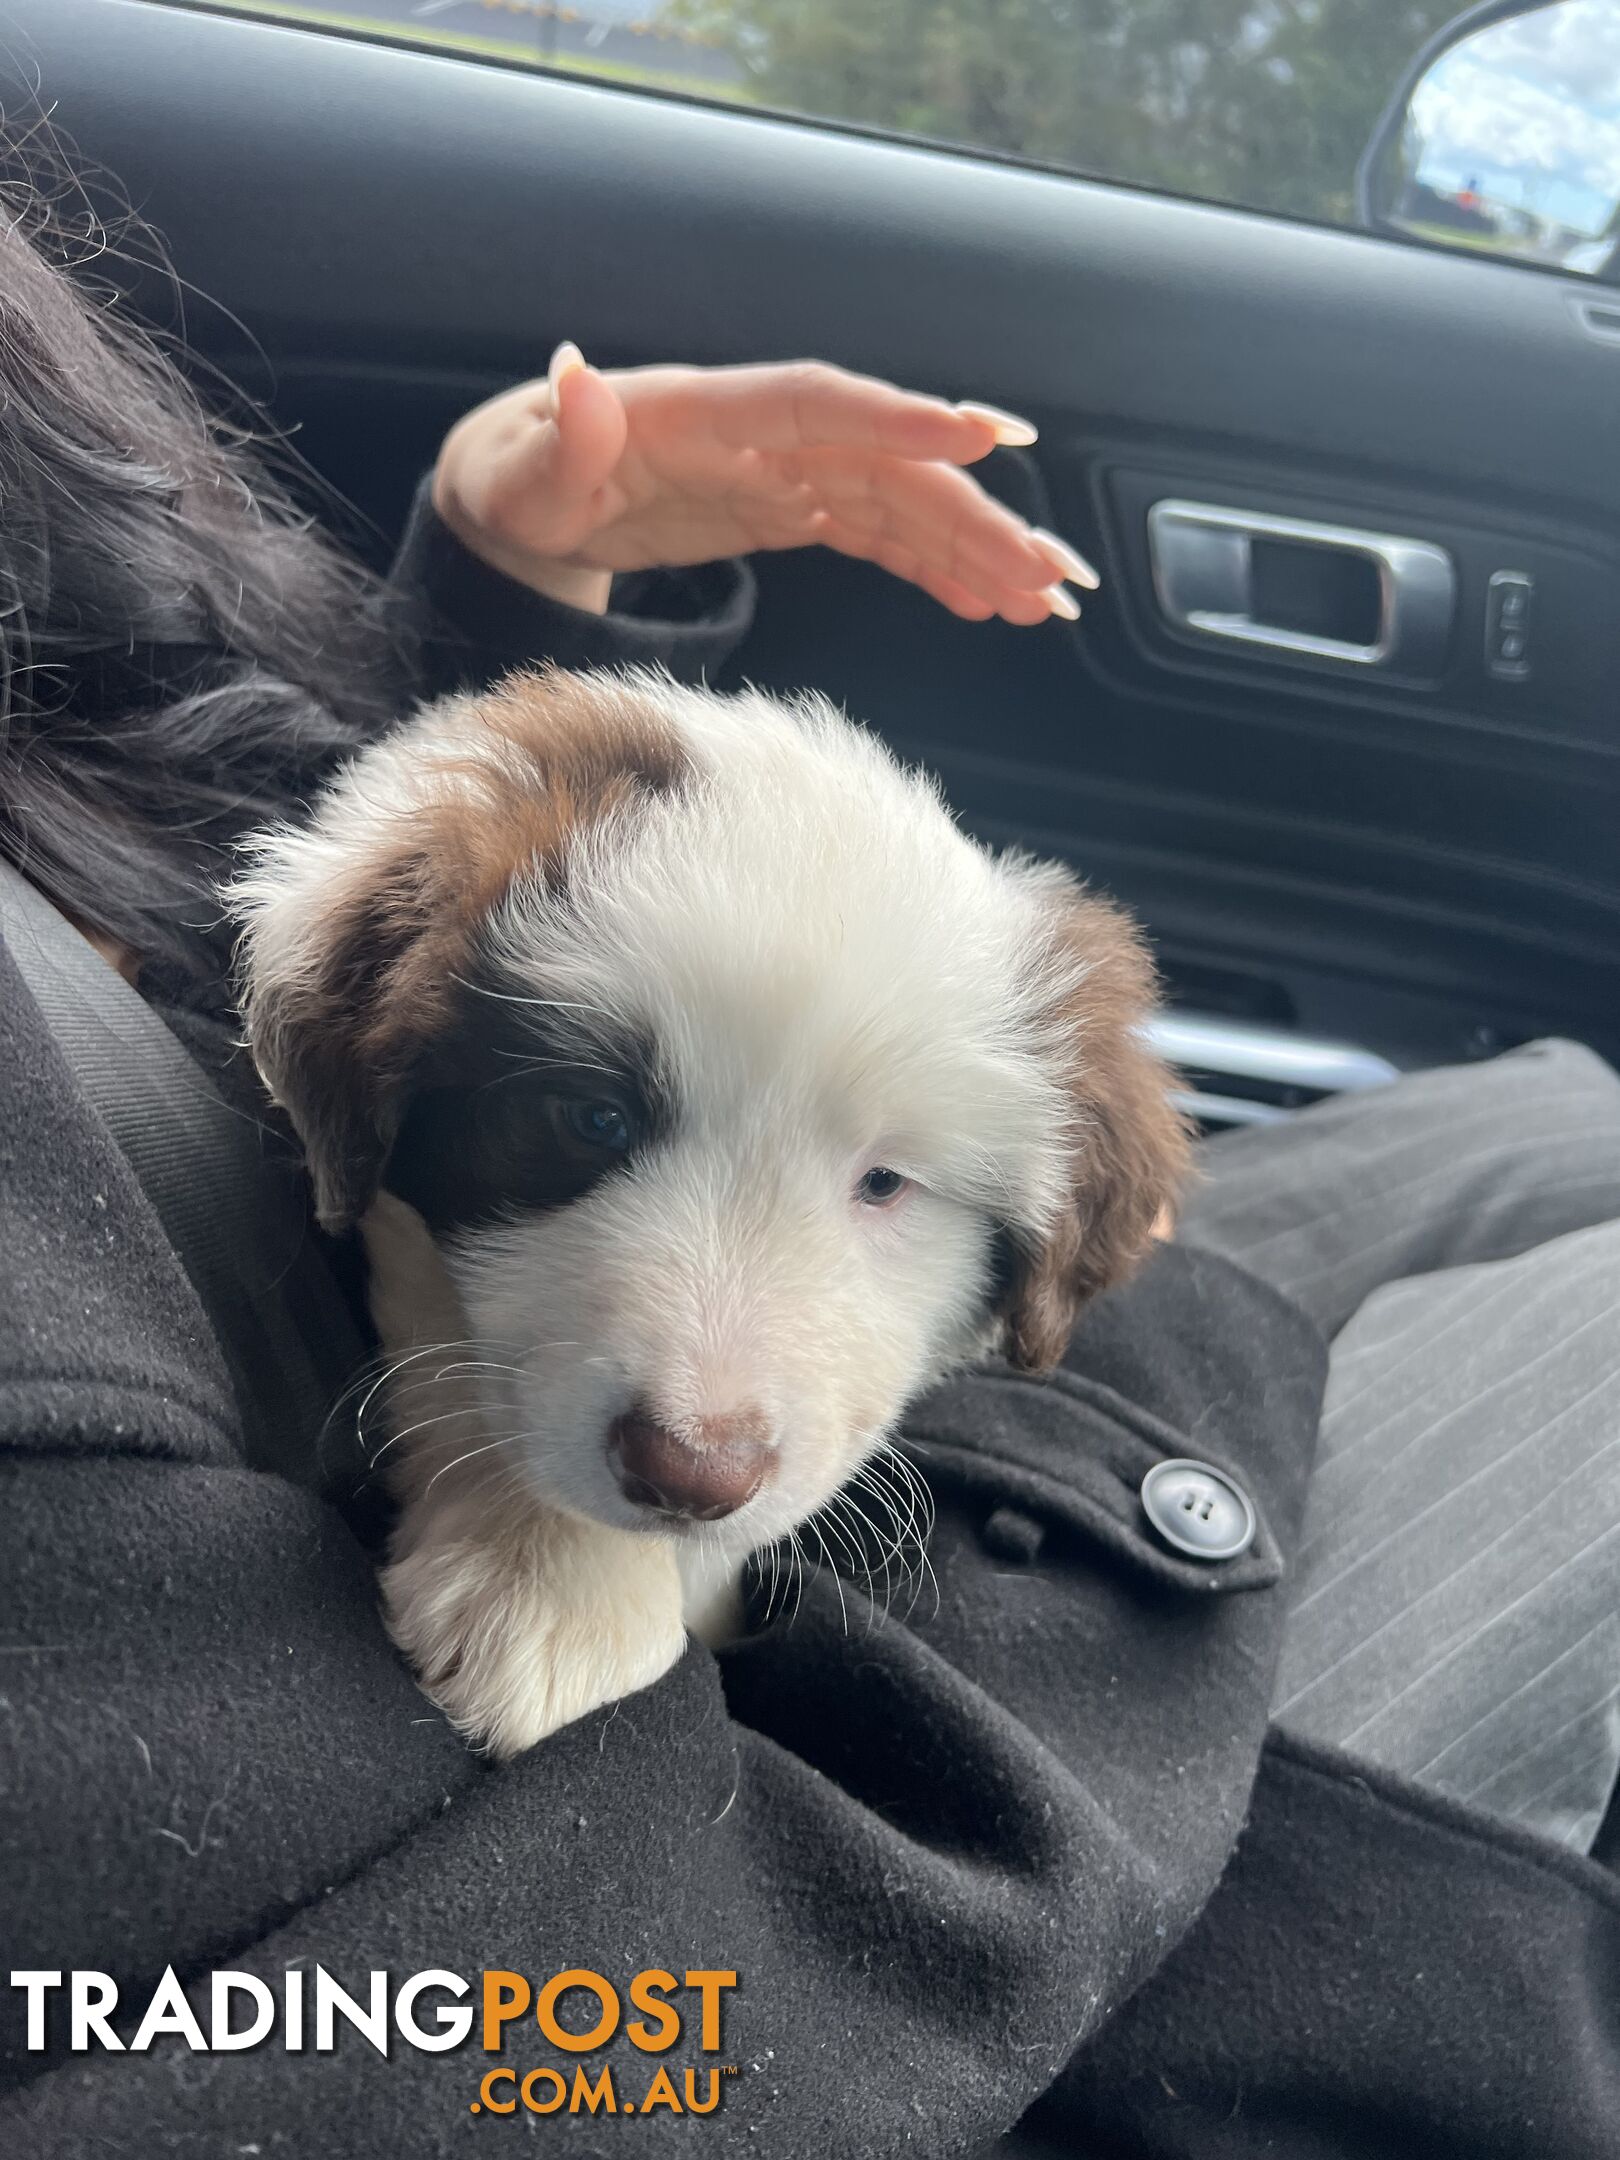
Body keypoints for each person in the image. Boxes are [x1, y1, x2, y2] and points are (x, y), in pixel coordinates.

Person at [0, 184, 1615, 2158]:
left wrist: (490, 620)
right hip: (997, 1870)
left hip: (1016, 1468)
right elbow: (536, 2041)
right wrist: (1128, 1441)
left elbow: (299, 955)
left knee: (1561, 1115)